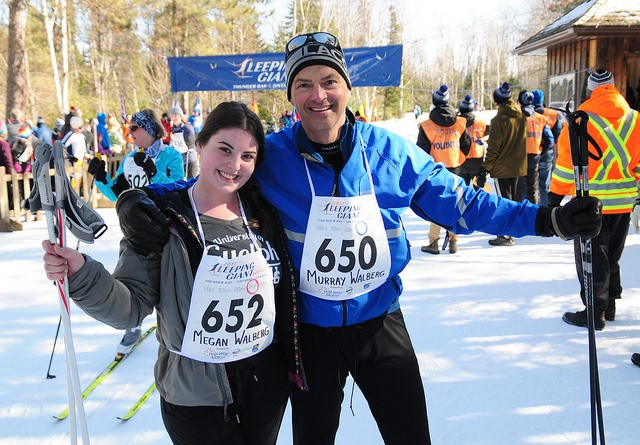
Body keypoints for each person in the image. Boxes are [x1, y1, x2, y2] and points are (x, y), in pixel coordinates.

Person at [117, 32, 602, 445]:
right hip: (309, 334)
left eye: (329, 81)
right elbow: (211, 180)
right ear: (291, 96)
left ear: (346, 87)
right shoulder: (273, 157)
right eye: (304, 85)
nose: (318, 95)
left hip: (380, 324)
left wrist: (548, 220)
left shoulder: (387, 151)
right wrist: (140, 201)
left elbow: (465, 204)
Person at [42, 101, 303, 444]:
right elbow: (129, 307)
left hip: (264, 381)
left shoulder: (265, 212)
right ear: (199, 147)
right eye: (224, 149)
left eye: (247, 156)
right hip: (196, 391)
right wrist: (82, 273)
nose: (233, 164)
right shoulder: (162, 219)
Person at [88, 108, 185, 353]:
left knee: (169, 280)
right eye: (130, 128)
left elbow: (177, 187)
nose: (129, 133)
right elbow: (117, 193)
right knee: (132, 278)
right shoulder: (130, 159)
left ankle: (176, 328)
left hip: (166, 226)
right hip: (136, 229)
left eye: (135, 128)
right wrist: (101, 178)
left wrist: (153, 171)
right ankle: (132, 325)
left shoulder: (170, 155)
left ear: (150, 130)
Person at [550, 69, 640, 331]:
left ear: (589, 91)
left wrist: (554, 199)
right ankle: (609, 304)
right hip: (623, 201)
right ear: (614, 88)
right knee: (612, 255)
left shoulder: (579, 121)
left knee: (591, 258)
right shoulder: (635, 119)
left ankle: (594, 311)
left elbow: (566, 166)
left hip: (591, 203)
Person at [416, 84, 471, 254]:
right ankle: (454, 240)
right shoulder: (460, 123)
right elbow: (467, 145)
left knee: (436, 205)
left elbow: (421, 152)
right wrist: (457, 158)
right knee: (454, 204)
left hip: (435, 171)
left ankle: (434, 242)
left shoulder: (426, 126)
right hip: (455, 168)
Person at [477, 82, 528, 246]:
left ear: (497, 101)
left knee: (504, 202)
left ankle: (506, 235)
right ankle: (513, 230)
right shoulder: (521, 115)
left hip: (503, 167)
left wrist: (485, 169)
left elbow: (493, 148)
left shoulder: (499, 120)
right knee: (514, 200)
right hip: (519, 165)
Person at [516, 90, 554, 204]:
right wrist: (541, 151)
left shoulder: (516, 118)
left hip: (519, 158)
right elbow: (550, 139)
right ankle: (534, 214)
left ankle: (520, 214)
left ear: (520, 102)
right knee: (533, 189)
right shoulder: (540, 118)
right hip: (534, 157)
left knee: (520, 189)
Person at [532, 89, 565, 206]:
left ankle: (532, 210)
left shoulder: (528, 115)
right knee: (544, 185)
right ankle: (545, 210)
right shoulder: (553, 114)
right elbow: (558, 133)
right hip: (547, 154)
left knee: (530, 186)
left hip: (531, 154)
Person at [458, 94, 488, 187]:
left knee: (462, 191)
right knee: (478, 191)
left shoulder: (456, 125)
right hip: (477, 163)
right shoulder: (481, 124)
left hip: (461, 163)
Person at [169, 106, 199, 179]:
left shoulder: (187, 128)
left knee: (191, 183)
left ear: (180, 116)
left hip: (190, 160)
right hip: (179, 161)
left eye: (175, 116)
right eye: (172, 116)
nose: (173, 118)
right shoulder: (173, 129)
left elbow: (191, 144)